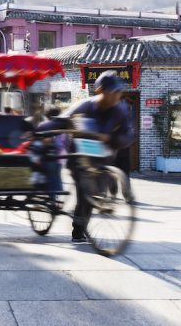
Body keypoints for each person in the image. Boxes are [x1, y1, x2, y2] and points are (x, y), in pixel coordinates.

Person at [39, 71, 134, 243]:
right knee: (85, 193)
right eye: (113, 92)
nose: (116, 96)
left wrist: (112, 139)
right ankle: (78, 230)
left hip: (103, 157)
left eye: (119, 92)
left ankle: (85, 217)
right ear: (100, 90)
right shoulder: (85, 106)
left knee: (96, 193)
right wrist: (39, 131)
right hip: (79, 156)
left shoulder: (120, 111)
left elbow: (128, 134)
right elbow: (61, 120)